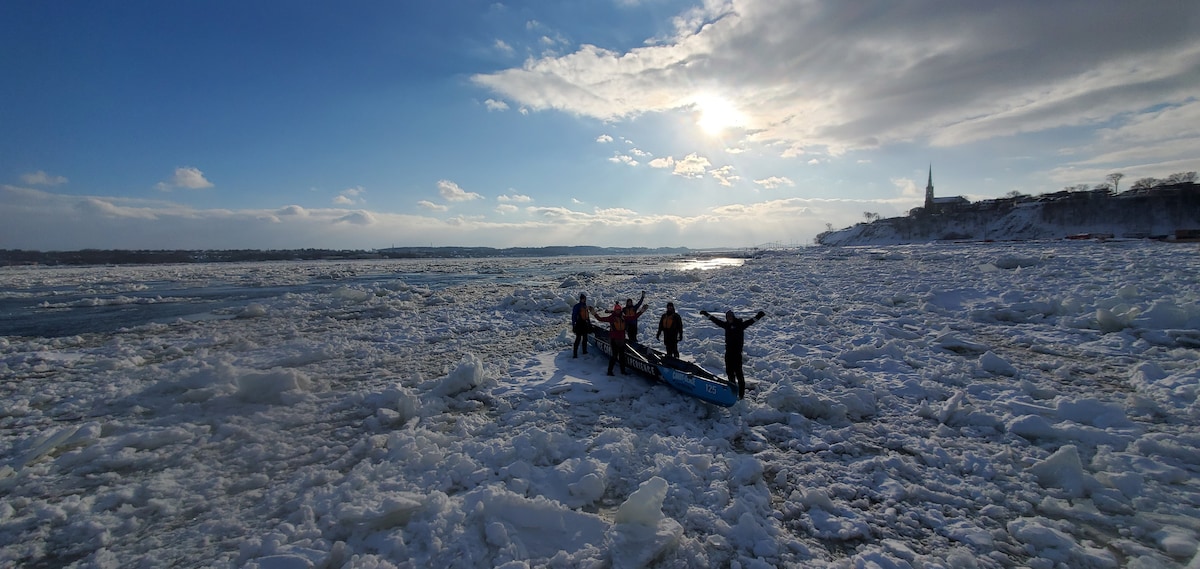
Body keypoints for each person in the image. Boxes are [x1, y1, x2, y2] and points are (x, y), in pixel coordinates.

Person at [699, 309, 766, 399]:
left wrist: (759, 316)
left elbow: (751, 321)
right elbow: (716, 321)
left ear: (733, 317)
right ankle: (733, 392)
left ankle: (741, 395)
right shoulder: (726, 325)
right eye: (728, 317)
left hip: (737, 354)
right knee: (730, 373)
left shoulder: (740, 325)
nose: (729, 318)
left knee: (739, 374)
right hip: (728, 353)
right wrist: (706, 314)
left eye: (730, 316)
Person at [591, 302, 628, 375]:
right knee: (614, 356)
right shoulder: (612, 318)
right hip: (614, 340)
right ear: (615, 310)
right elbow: (600, 319)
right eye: (617, 310)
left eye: (619, 310)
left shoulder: (623, 317)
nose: (618, 311)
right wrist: (594, 314)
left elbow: (633, 317)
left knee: (622, 356)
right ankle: (609, 371)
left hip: (621, 340)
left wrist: (641, 312)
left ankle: (623, 371)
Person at [570, 293, 591, 358]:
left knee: (585, 338)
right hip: (579, 324)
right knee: (578, 339)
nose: (584, 300)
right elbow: (574, 316)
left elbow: (587, 316)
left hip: (584, 324)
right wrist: (573, 325)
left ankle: (584, 351)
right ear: (581, 299)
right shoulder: (577, 306)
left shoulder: (584, 306)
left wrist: (589, 323)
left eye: (585, 299)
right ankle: (575, 354)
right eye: (584, 299)